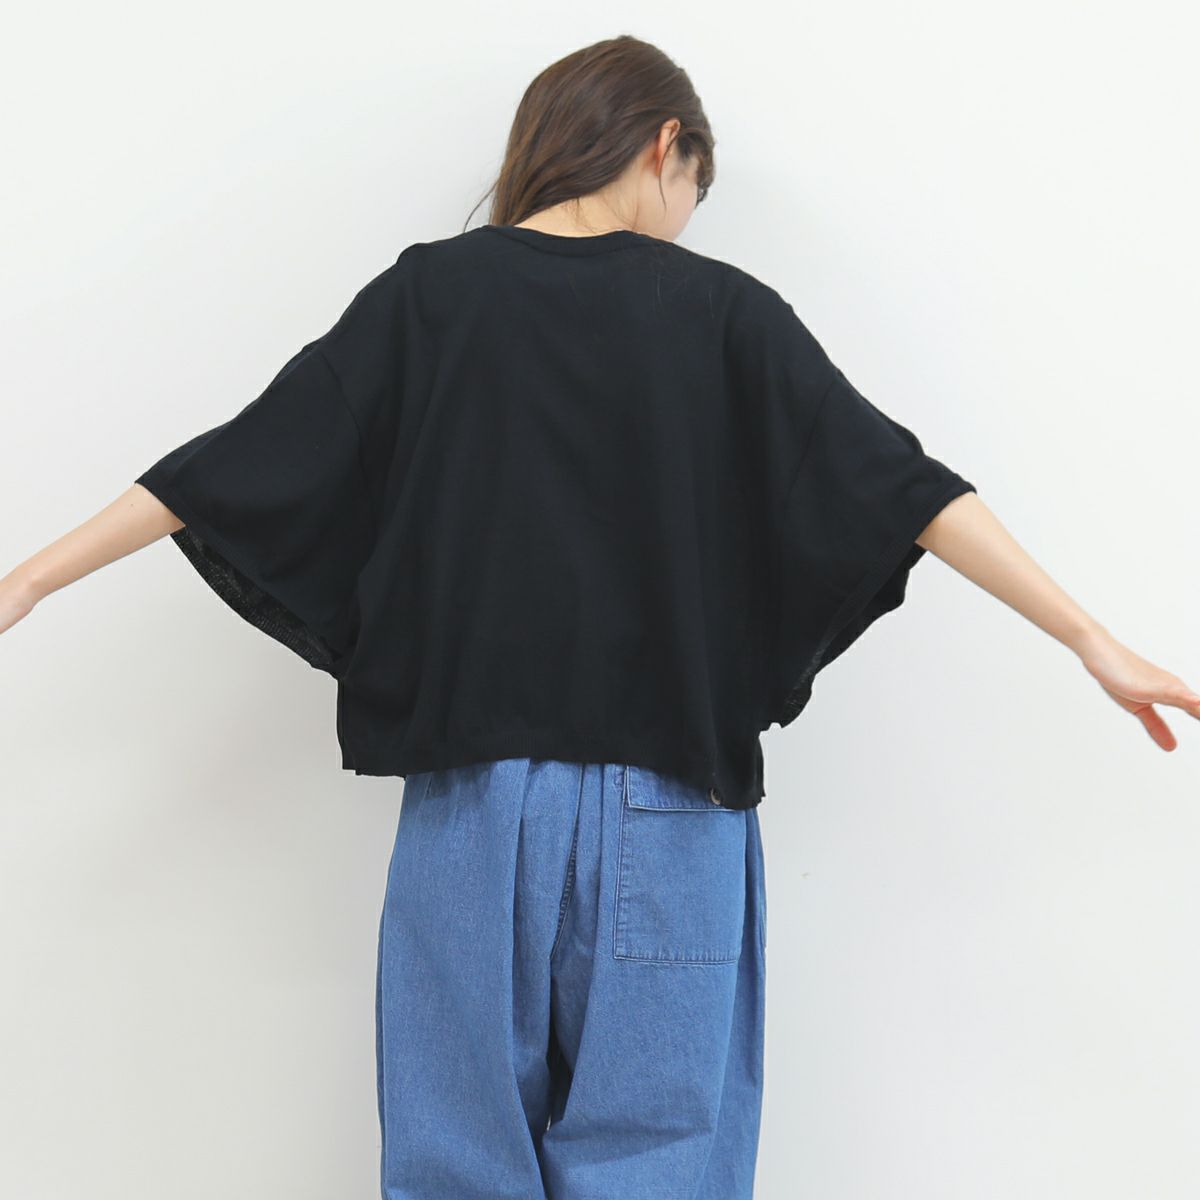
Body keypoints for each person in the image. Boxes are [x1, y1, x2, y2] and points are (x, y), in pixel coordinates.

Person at [3, 32, 1196, 1200]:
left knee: (454, 1167)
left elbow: (233, 466)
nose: (681, 226)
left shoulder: (431, 296)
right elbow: (903, 490)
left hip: (474, 810)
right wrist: (1090, 639)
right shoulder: (724, 314)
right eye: (690, 197)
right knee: (660, 1168)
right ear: (666, 146)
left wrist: (33, 577)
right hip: (673, 809)